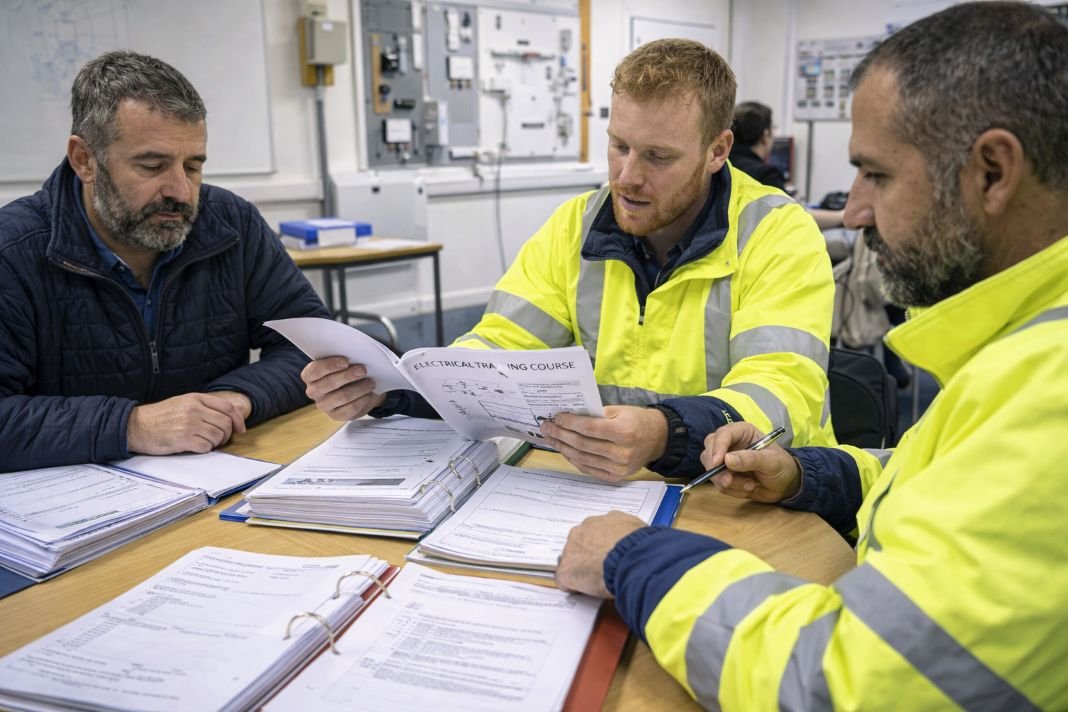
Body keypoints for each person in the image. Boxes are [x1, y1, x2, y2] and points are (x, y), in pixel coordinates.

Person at [555, 3, 1068, 709]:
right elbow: (943, 476)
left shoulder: (1051, 393)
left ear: (992, 172)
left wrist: (634, 558)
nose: (853, 211)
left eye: (876, 175)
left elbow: (840, 686)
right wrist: (807, 474)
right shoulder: (1027, 350)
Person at [303, 39, 837, 481]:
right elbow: (497, 350)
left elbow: (781, 390)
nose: (627, 177)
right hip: (602, 490)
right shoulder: (574, 226)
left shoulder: (777, 232)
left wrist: (664, 433)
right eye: (619, 145)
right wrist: (394, 391)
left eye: (658, 156)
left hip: (746, 494)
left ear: (718, 150)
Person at [0, 51, 331, 472]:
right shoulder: (13, 251)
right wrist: (131, 426)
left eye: (192, 167)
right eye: (152, 165)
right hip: (68, 499)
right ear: (85, 160)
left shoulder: (231, 225)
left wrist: (234, 399)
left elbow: (313, 348)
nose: (180, 191)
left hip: (217, 477)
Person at [730, 100, 845, 229]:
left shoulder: (722, 165)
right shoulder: (764, 175)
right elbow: (795, 217)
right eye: (773, 129)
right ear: (765, 135)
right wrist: (841, 216)